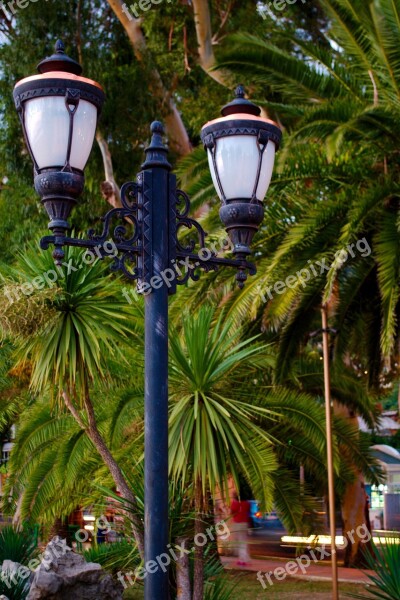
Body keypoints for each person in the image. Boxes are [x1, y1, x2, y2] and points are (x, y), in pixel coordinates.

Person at [230, 493, 251, 565]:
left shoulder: (234, 503)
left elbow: (232, 512)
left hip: (237, 524)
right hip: (244, 524)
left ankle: (243, 560)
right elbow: (248, 511)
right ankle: (244, 559)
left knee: (239, 543)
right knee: (243, 542)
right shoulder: (247, 503)